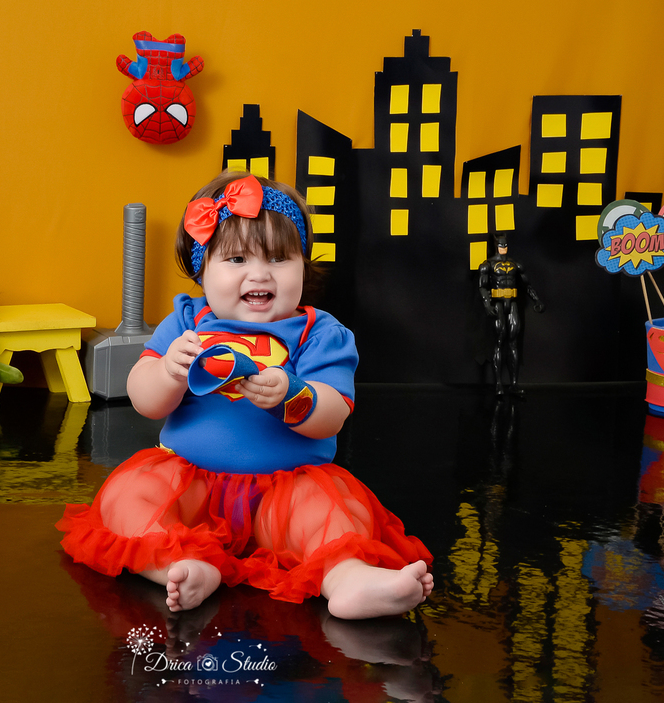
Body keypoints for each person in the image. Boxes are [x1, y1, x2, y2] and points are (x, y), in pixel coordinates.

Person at [57, 173, 433, 619]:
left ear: (303, 265)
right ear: (203, 270)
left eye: (278, 258)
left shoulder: (318, 332)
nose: (259, 273)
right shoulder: (187, 321)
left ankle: (349, 580)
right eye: (236, 259)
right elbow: (145, 400)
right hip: (190, 483)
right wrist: (167, 371)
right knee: (129, 493)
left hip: (286, 487)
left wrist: (291, 396)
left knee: (328, 514)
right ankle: (181, 563)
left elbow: (331, 414)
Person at [477, 233, 544, 395]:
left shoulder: (516, 264)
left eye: (505, 244)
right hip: (498, 303)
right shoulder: (488, 265)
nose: (503, 247)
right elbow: (482, 286)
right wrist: (487, 304)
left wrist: (536, 300)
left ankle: (514, 383)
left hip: (512, 303)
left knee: (513, 341)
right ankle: (498, 384)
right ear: (495, 245)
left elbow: (526, 285)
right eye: (501, 245)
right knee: (500, 340)